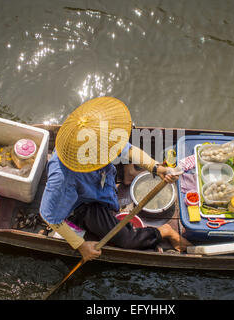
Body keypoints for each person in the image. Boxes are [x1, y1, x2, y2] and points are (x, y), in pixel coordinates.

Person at [40, 97, 191, 261]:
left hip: (103, 182)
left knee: (127, 137)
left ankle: (128, 174)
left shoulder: (98, 135)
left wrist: (157, 168)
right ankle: (165, 231)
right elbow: (49, 216)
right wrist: (81, 245)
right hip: (85, 205)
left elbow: (128, 150)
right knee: (127, 240)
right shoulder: (62, 178)